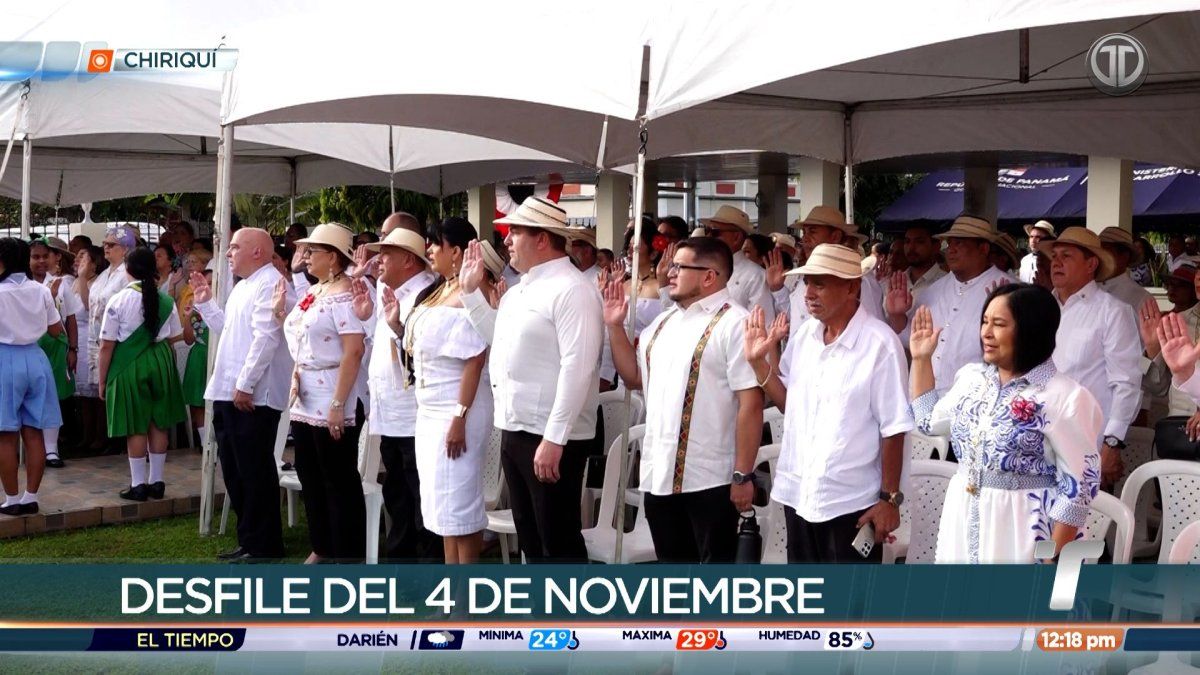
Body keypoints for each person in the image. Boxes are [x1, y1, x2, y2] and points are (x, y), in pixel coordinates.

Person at [909, 285, 1102, 563]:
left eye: (999, 324)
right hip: (963, 518)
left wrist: (1049, 557)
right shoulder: (971, 379)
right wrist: (921, 359)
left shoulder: (1065, 397)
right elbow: (928, 422)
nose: (986, 332)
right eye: (984, 321)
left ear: (1030, 330)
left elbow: (1081, 487)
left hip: (1022, 529)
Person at [745, 244, 912, 563]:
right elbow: (789, 404)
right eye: (807, 282)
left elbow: (895, 428)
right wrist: (758, 365)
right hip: (800, 491)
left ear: (852, 287)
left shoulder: (880, 344)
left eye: (820, 283)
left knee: (849, 608)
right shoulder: (806, 334)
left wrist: (889, 499)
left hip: (851, 501)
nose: (808, 292)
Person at [458, 196, 603, 562]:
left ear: (542, 239)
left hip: (552, 432)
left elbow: (579, 367)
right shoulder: (520, 289)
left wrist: (555, 437)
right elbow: (500, 340)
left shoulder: (573, 289)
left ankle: (572, 615)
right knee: (531, 535)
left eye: (516, 231)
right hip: (516, 426)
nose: (507, 239)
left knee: (557, 538)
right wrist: (469, 294)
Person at [603, 237, 762, 562]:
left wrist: (742, 474)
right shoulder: (664, 321)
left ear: (709, 276)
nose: (669, 272)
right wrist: (615, 327)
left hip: (711, 478)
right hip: (659, 472)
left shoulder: (736, 323)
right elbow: (634, 377)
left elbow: (751, 403)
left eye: (680, 266)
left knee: (715, 583)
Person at [393, 217, 495, 564]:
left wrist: (459, 417)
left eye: (436, 244)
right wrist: (396, 323)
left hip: (457, 406)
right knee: (442, 509)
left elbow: (475, 358)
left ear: (457, 251)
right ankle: (453, 593)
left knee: (461, 506)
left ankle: (466, 599)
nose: (430, 250)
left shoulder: (471, 290)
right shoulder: (440, 288)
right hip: (429, 409)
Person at [192, 228, 294, 561]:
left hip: (253, 394)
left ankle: (265, 543)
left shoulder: (271, 283)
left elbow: (267, 338)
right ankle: (249, 538)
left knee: (254, 470)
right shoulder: (243, 286)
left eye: (235, 247)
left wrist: (246, 383)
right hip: (230, 387)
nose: (227, 253)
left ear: (257, 252)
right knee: (235, 469)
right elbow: (230, 329)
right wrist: (206, 305)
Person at [280, 223, 368, 563]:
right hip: (306, 392)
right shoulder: (317, 290)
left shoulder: (345, 294)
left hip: (333, 390)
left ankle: (347, 552)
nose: (305, 255)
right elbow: (300, 335)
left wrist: (338, 403)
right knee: (310, 472)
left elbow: (353, 351)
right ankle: (322, 545)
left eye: (313, 250)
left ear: (332, 256)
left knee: (337, 476)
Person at [358, 226, 439, 562]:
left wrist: (396, 328)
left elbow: (423, 354)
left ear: (408, 259)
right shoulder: (390, 291)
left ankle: (426, 563)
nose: (379, 261)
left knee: (419, 492)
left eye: (387, 254)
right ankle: (401, 558)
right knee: (397, 491)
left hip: (413, 413)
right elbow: (378, 343)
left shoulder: (426, 295)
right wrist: (366, 317)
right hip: (390, 410)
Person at [1038, 227, 1141, 488]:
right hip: (1036, 439)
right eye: (1055, 256)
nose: (1056, 262)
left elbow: (1127, 383)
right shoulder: (1040, 308)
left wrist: (1112, 444)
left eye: (1067, 256)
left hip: (1085, 443)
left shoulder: (1113, 312)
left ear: (1091, 264)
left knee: (1083, 526)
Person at [885, 216, 1015, 401]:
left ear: (983, 249)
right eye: (950, 243)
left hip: (975, 405)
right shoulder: (934, 290)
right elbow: (911, 340)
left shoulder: (1009, 291)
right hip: (922, 399)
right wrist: (896, 315)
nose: (951, 250)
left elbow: (1020, 355)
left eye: (959, 244)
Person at [97, 247, 187, 502]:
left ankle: (138, 484)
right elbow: (172, 336)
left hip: (130, 364)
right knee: (159, 422)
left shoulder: (119, 300)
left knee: (135, 423)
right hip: (160, 360)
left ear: (127, 269)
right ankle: (157, 481)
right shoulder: (166, 301)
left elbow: (106, 344)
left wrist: (103, 380)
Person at [0, 238, 63, 515]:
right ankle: (31, 496)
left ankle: (12, 499)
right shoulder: (41, 290)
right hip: (36, 359)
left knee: (5, 435)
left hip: (5, 358)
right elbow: (55, 330)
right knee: (34, 433)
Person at [767, 206, 874, 339]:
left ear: (835, 236)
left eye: (812, 232)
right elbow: (795, 318)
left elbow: (870, 330)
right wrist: (777, 289)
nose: (804, 239)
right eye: (804, 232)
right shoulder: (804, 275)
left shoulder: (859, 278)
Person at [29, 238, 81, 468]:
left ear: (53, 258)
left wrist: (72, 348)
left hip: (57, 346)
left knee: (55, 396)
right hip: (32, 346)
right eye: (35, 257)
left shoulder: (61, 284)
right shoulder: (23, 285)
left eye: (44, 256)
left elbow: (71, 319)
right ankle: (33, 447)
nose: (41, 261)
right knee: (32, 396)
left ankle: (52, 450)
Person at [683, 206, 773, 323]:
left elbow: (762, 323)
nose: (709, 236)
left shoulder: (756, 275)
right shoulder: (699, 269)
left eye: (715, 232)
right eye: (707, 231)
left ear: (736, 237)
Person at [88, 227, 136, 413]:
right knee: (99, 394)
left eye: (111, 244)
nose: (105, 247)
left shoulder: (127, 274)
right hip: (96, 339)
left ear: (125, 249)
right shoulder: (104, 274)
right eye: (104, 244)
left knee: (115, 390)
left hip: (116, 340)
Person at [72, 245, 107, 452]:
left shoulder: (96, 283)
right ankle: (86, 435)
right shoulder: (74, 281)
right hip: (78, 339)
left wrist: (83, 279)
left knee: (96, 394)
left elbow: (88, 306)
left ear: (94, 263)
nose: (78, 261)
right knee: (83, 396)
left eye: (83, 258)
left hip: (92, 338)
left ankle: (101, 436)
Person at [178, 249, 214, 445]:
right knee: (197, 402)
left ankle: (215, 440)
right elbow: (188, 339)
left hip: (214, 355)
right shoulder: (196, 308)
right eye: (204, 284)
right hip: (199, 355)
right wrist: (189, 316)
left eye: (211, 284)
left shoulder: (224, 305)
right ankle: (203, 442)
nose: (207, 287)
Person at [1098, 227, 1154, 313]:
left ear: (1124, 256)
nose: (1100, 257)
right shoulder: (1087, 288)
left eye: (1106, 252)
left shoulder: (1142, 298)